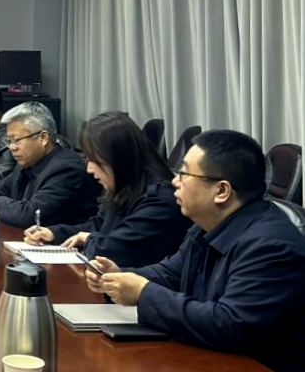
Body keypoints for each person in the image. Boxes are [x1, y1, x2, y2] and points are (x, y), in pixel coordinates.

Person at [85, 130, 305, 372]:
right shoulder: (206, 226)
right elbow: (170, 273)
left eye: (184, 174)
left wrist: (143, 293)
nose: (174, 182)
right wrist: (119, 277)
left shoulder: (272, 246)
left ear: (221, 191)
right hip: (217, 369)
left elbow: (230, 325)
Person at [24, 112, 190, 267]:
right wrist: (54, 233)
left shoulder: (159, 201)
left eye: (94, 160)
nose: (89, 169)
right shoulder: (127, 186)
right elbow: (99, 225)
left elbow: (113, 251)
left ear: (117, 157)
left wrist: (89, 239)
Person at [0, 101, 99, 227]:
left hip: (64, 248)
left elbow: (32, 214)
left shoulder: (67, 169)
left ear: (43, 138)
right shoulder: (27, 163)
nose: (12, 147)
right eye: (9, 141)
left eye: (17, 140)